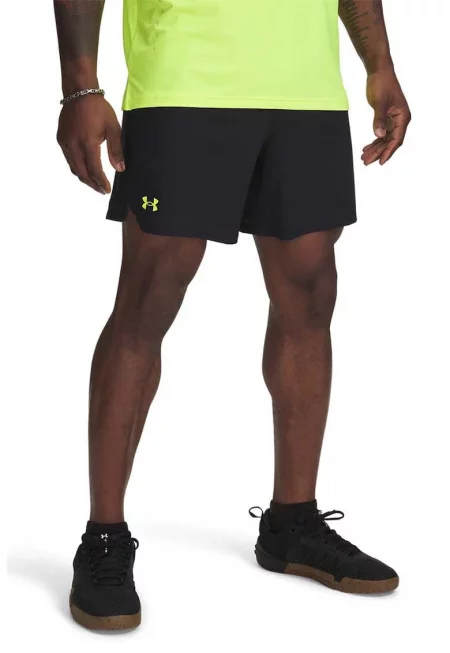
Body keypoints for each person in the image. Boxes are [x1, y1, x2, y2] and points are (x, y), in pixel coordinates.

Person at [54, 0, 411, 630]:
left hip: (305, 88)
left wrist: (379, 65)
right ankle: (103, 538)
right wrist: (81, 87)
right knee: (148, 298)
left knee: (310, 295)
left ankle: (292, 521)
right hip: (185, 77)